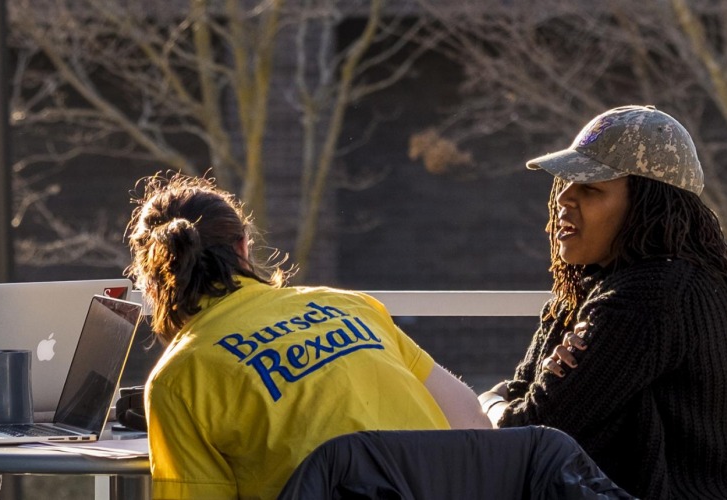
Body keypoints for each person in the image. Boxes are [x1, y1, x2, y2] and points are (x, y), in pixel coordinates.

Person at [125, 174, 490, 499]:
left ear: (151, 280)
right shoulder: (352, 306)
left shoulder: (179, 379)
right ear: (243, 247)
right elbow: (472, 422)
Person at [480, 105, 727, 499]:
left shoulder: (653, 294)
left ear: (648, 205)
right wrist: (509, 403)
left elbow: (524, 435)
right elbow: (526, 396)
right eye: (567, 181)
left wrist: (488, 402)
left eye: (591, 187)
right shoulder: (594, 287)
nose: (564, 198)